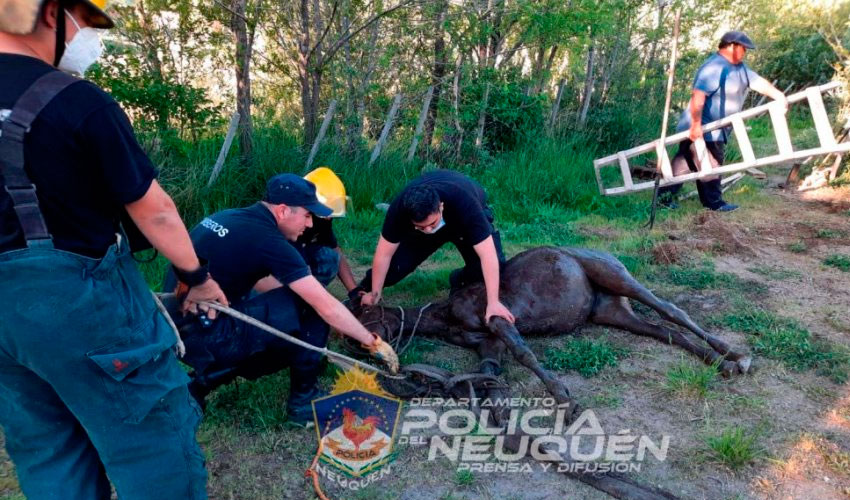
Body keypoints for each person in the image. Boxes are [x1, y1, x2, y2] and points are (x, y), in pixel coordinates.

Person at [0, 1, 229, 499]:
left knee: (48, 449)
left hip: (5, 327)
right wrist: (196, 275)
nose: (90, 36)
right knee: (150, 443)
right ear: (50, 12)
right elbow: (156, 212)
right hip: (79, 311)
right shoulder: (75, 100)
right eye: (89, 20)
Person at [163, 174, 399, 426]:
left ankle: (199, 385)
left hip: (179, 328)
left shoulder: (231, 217)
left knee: (289, 334)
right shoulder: (268, 239)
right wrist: (371, 342)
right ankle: (303, 402)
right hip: (207, 334)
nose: (310, 225)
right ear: (284, 210)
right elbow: (325, 305)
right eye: (307, 215)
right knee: (310, 309)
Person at [356, 170, 515, 324]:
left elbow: (487, 254)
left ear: (441, 206)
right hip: (427, 221)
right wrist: (375, 294)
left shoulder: (465, 203)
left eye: (432, 224)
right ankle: (362, 292)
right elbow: (383, 255)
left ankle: (459, 278)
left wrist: (493, 302)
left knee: (493, 268)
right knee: (395, 268)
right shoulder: (399, 210)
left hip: (462, 220)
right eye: (421, 226)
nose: (429, 230)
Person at [659, 30, 788, 212]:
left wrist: (779, 96)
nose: (745, 52)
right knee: (711, 164)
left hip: (712, 129)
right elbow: (698, 96)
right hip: (703, 128)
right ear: (732, 46)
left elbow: (758, 82)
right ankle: (714, 204)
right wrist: (696, 126)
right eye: (744, 48)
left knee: (684, 164)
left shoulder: (739, 68)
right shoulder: (714, 67)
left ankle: (663, 199)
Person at [293, 167, 357, 291]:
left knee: (329, 257)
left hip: (299, 255)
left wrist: (353, 290)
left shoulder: (323, 218)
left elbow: (334, 249)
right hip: (275, 267)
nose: (328, 218)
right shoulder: (290, 222)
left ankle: (310, 295)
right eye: (325, 213)